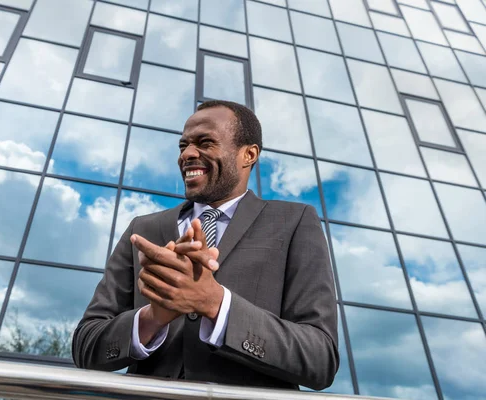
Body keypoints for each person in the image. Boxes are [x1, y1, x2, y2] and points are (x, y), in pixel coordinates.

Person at [72, 100, 339, 390]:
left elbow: (320, 359)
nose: (187, 154)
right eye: (183, 145)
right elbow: (86, 347)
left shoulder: (294, 221)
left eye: (205, 142)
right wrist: (152, 318)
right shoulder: (143, 229)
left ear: (248, 154)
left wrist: (215, 303)